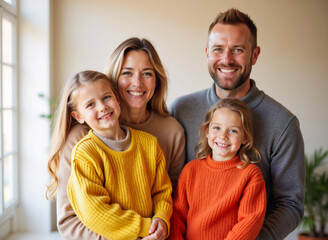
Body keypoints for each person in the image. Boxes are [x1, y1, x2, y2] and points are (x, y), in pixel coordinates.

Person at [170, 8, 305, 240]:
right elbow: (172, 189)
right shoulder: (181, 109)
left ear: (254, 55)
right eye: (218, 49)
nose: (227, 59)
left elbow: (290, 204)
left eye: (238, 50)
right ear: (207, 53)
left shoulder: (283, 123)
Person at [50, 38, 185, 240]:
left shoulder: (170, 132)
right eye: (127, 73)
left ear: (156, 80)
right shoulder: (81, 139)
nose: (137, 82)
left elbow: (169, 197)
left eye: (147, 73)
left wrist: (160, 224)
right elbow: (70, 221)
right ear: (114, 78)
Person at [169, 98, 266, 240]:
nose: (223, 136)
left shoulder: (250, 175)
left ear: (245, 137)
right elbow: (176, 217)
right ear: (207, 131)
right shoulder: (191, 170)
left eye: (233, 130)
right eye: (217, 128)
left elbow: (250, 220)